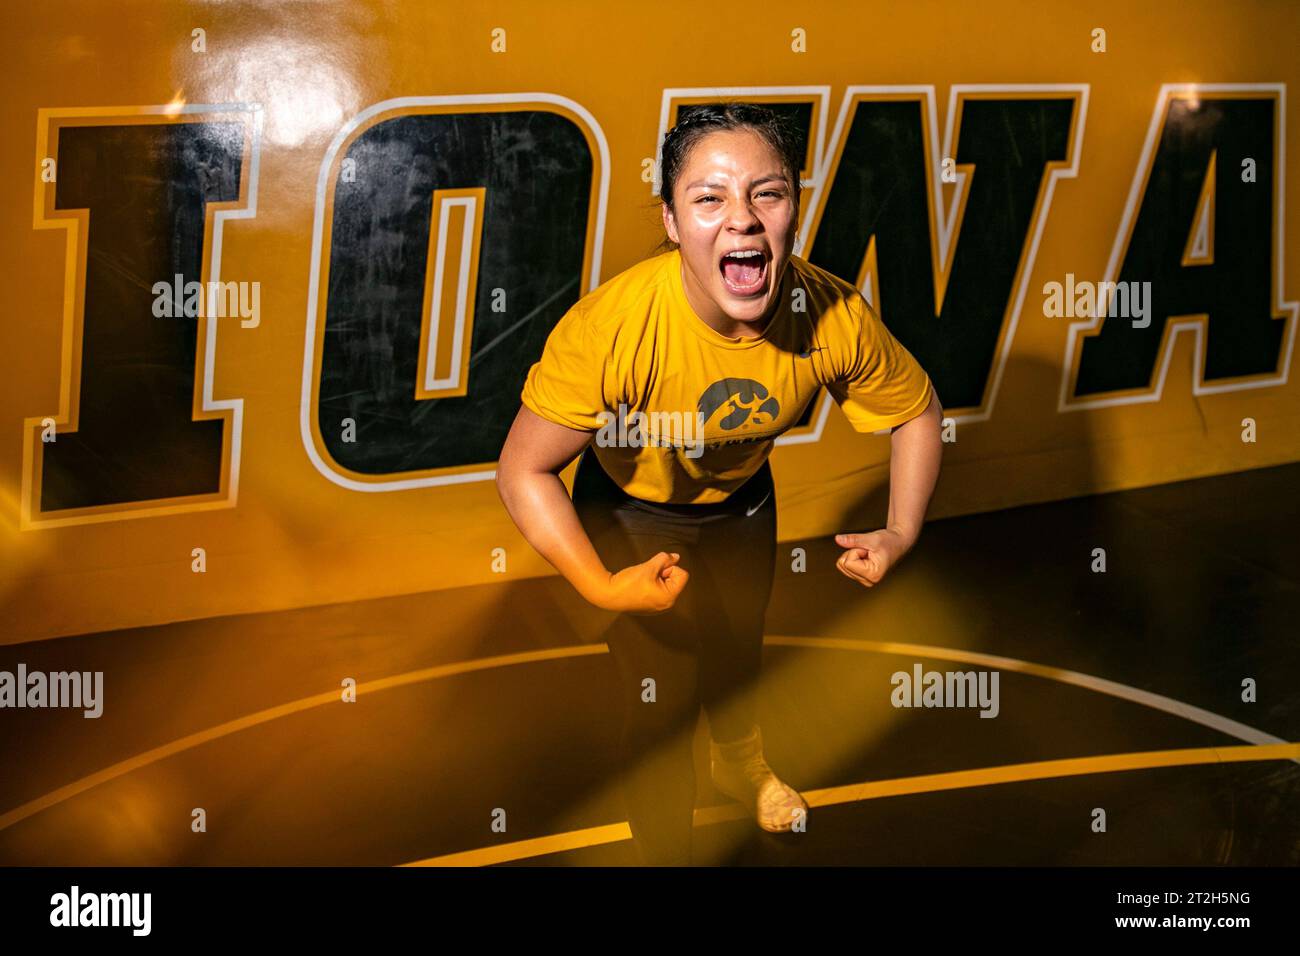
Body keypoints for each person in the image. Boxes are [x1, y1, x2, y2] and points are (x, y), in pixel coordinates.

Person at [495, 102, 943, 866]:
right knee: (663, 701)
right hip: (629, 515)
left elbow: (918, 411)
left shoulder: (830, 314)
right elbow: (523, 469)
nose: (742, 217)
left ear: (793, 206)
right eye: (709, 198)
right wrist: (602, 587)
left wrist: (901, 529)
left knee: (737, 659)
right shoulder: (614, 328)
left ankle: (741, 766)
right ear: (672, 221)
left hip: (742, 505)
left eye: (766, 193)